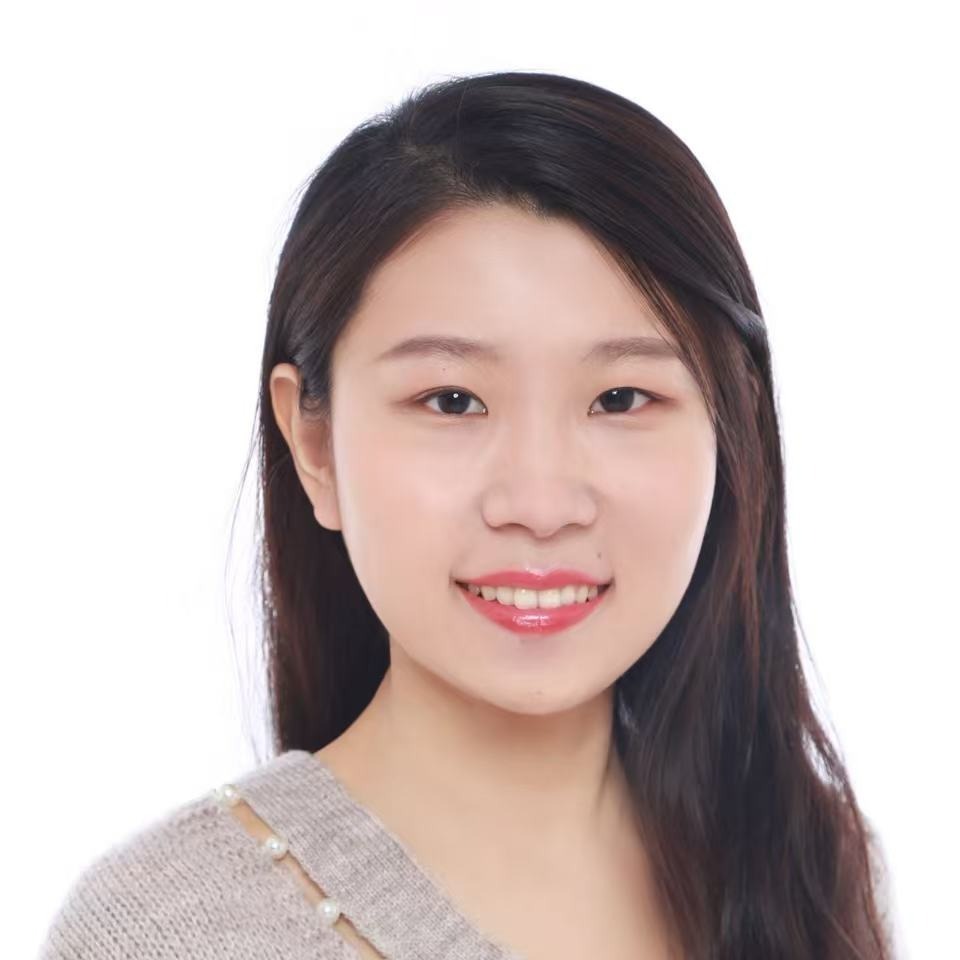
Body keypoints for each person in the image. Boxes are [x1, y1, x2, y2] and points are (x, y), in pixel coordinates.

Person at [38, 70, 897, 960]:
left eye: (620, 398)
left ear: (732, 429)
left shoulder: (821, 870)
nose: (540, 505)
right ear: (315, 445)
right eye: (452, 401)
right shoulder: (162, 933)